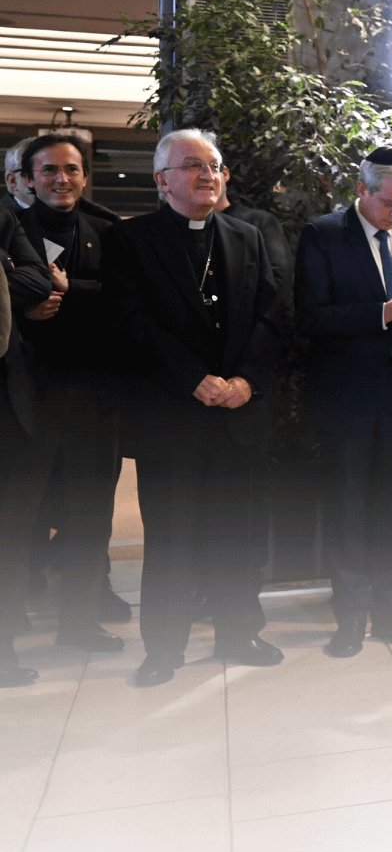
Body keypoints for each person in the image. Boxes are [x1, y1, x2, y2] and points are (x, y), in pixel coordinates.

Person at [102, 129, 287, 687]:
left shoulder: (246, 237)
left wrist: (246, 381)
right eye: (192, 166)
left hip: (236, 414)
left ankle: (239, 632)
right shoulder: (129, 241)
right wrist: (193, 380)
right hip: (170, 417)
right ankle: (163, 648)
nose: (208, 175)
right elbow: (129, 323)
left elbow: (272, 318)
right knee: (171, 540)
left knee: (236, 534)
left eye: (214, 166)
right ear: (162, 181)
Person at [295, 147, 392, 657]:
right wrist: (385, 311)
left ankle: (391, 610)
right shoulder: (324, 235)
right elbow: (312, 318)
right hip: (349, 395)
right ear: (361, 191)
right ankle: (350, 617)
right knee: (348, 507)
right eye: (388, 203)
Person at [14, 133, 127, 650]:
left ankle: (80, 624)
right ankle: (9, 627)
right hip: (23, 400)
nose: (61, 179)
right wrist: (26, 308)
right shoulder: (7, 225)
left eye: (72, 169)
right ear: (28, 178)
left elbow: (127, 302)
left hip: (93, 397)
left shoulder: (108, 229)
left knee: (89, 518)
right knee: (17, 520)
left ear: (85, 175)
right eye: (49, 171)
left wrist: (63, 290)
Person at [0, 203, 54, 685]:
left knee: (10, 538)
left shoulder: (1, 216)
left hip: (10, 410)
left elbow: (40, 279)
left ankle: (4, 649)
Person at [216, 164, 294, 316]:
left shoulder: (259, 222)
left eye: (212, 167)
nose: (204, 176)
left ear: (225, 173)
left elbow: (280, 283)